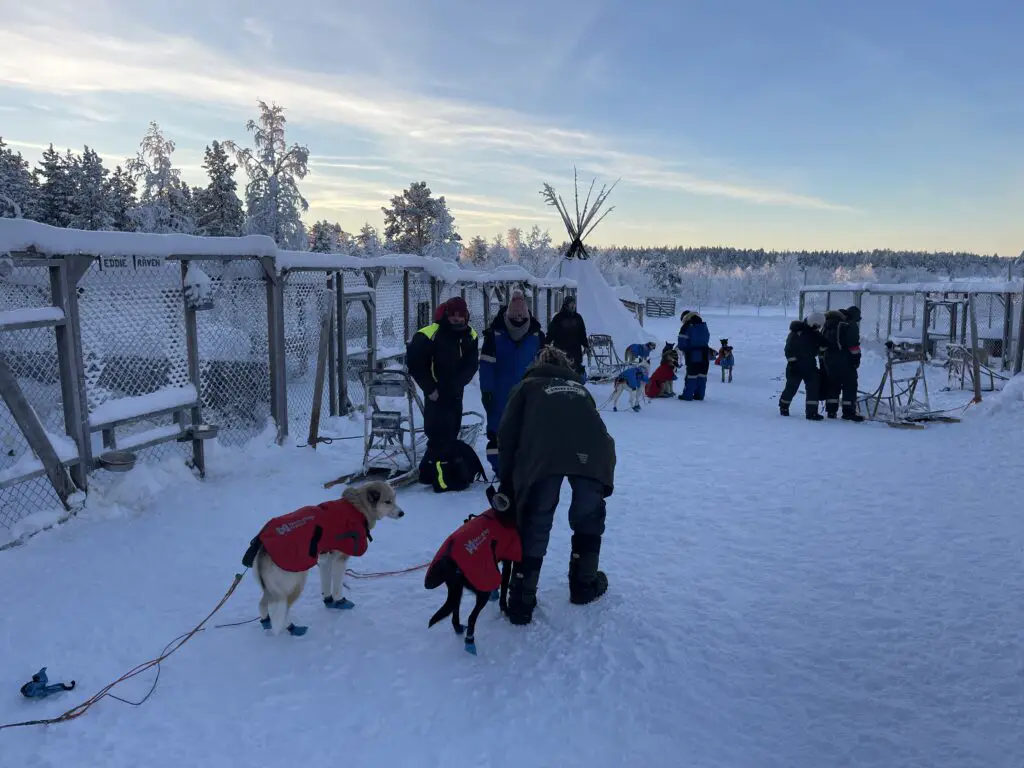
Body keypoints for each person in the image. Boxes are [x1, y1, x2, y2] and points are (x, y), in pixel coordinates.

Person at [496, 345, 616, 626]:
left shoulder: (526, 387)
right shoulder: (580, 390)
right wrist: (603, 481)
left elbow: (507, 434)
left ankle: (521, 600)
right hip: (592, 455)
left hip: (545, 457)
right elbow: (599, 434)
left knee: (536, 519)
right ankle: (584, 584)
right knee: (588, 514)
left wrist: (509, 481)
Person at [406, 297, 480, 479]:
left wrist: (457, 384)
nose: (457, 320)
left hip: (455, 392)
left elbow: (470, 365)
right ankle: (436, 471)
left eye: (460, 317)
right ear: (446, 315)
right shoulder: (429, 334)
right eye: (453, 316)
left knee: (452, 430)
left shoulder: (470, 336)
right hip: (436, 393)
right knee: (437, 433)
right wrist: (430, 389)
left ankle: (445, 469)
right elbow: (415, 364)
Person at [479, 290, 545, 475]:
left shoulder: (537, 336)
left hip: (529, 393)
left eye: (521, 314)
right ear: (507, 313)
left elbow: (545, 365)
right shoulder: (494, 335)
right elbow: (486, 365)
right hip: (500, 393)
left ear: (527, 314)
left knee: (528, 430)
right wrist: (487, 390)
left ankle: (527, 466)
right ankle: (500, 468)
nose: (518, 318)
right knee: (497, 432)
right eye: (514, 314)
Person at [820, 305, 864, 421]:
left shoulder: (829, 322)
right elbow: (853, 346)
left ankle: (831, 411)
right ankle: (848, 412)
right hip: (845, 360)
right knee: (850, 385)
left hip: (829, 359)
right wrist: (856, 360)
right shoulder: (850, 325)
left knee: (833, 385)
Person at [779, 312, 826, 420]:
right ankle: (784, 407)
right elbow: (788, 350)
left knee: (813, 388)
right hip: (796, 366)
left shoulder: (814, 333)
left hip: (810, 365)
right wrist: (793, 363)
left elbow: (819, 345)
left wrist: (824, 345)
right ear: (813, 323)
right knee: (791, 388)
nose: (818, 328)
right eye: (817, 326)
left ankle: (812, 412)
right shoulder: (796, 333)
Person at [546, 295, 589, 380]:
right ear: (566, 305)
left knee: (575, 375)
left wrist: (586, 345)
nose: (573, 305)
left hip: (575, 352)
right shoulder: (558, 318)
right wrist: (545, 345)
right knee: (562, 375)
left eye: (574, 303)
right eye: (571, 304)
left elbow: (582, 333)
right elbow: (550, 334)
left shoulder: (578, 318)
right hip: (561, 352)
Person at [677, 310, 714, 401]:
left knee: (692, 374)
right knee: (702, 374)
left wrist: (684, 349)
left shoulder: (687, 326)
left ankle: (688, 395)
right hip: (705, 352)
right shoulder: (703, 325)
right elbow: (707, 338)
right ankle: (699, 395)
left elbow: (682, 340)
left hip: (693, 353)